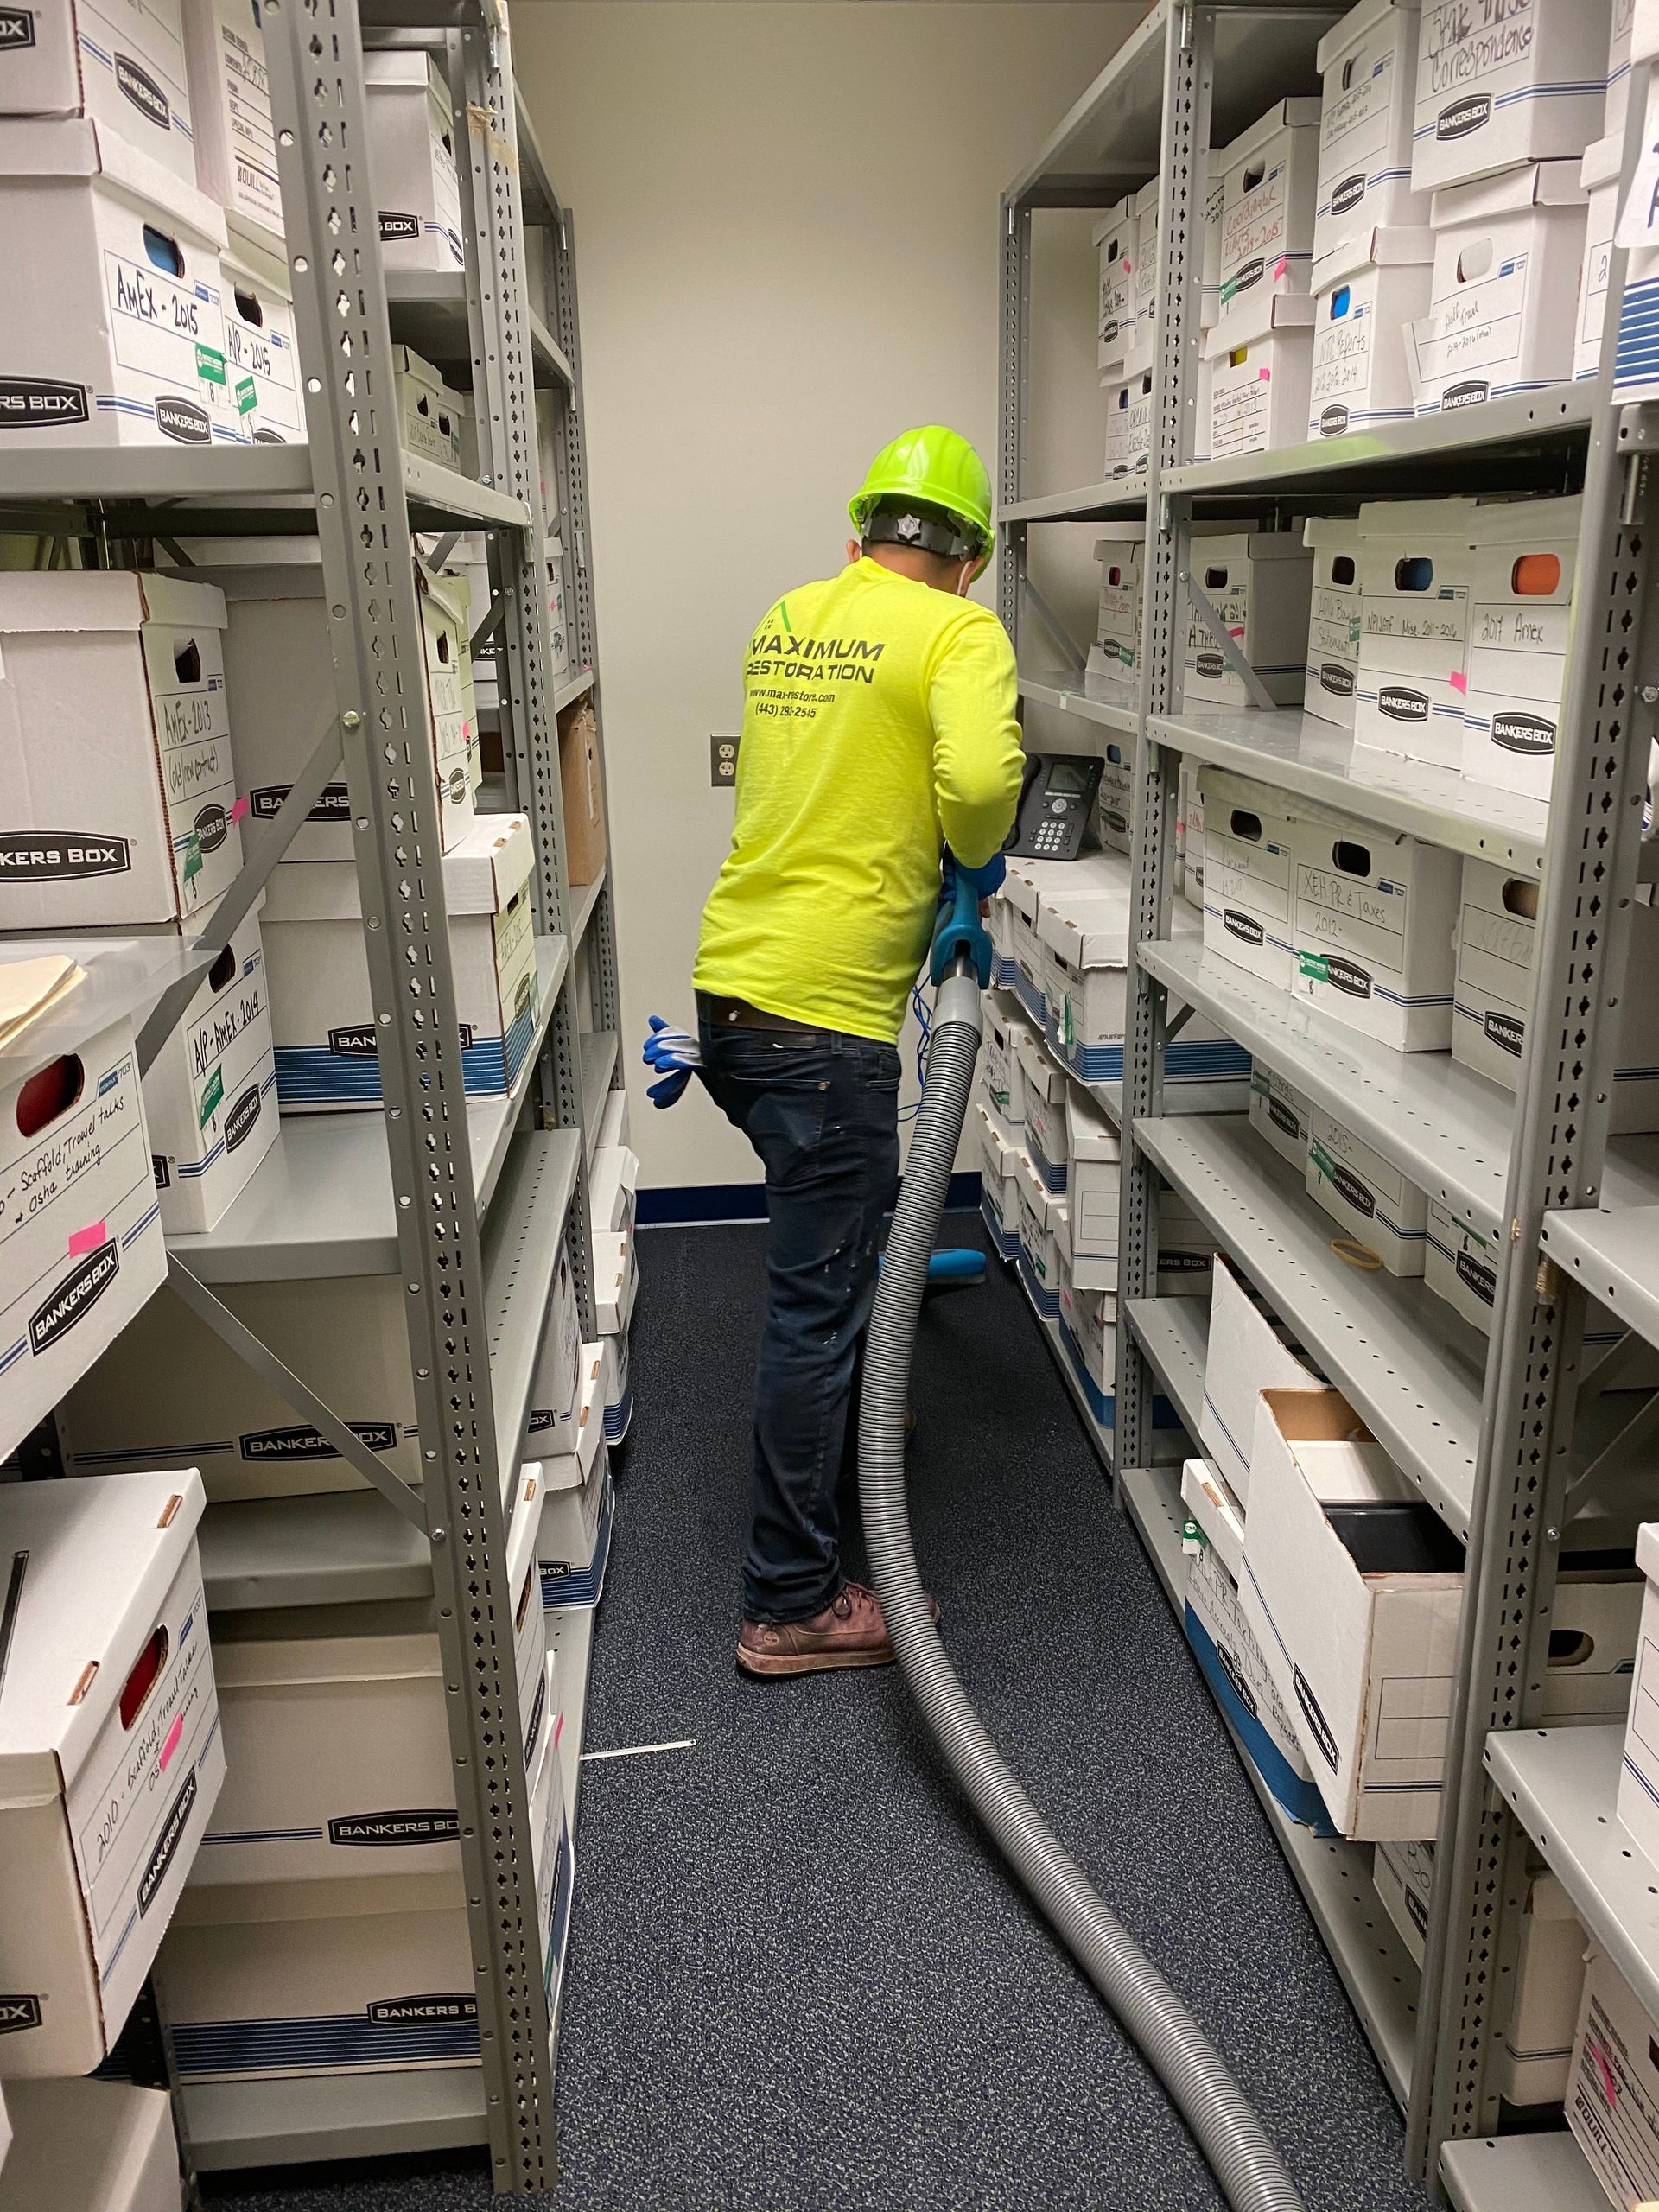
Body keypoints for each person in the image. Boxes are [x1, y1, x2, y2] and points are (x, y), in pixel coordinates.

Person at [646, 425, 1023, 1680]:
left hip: (735, 993)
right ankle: (791, 1601)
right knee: (812, 1311)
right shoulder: (960, 633)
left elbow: (832, 773)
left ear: (859, 537)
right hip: (829, 1025)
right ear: (967, 556)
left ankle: (858, 1420)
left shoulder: (790, 615)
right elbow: (974, 782)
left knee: (836, 1259)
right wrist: (973, 853)